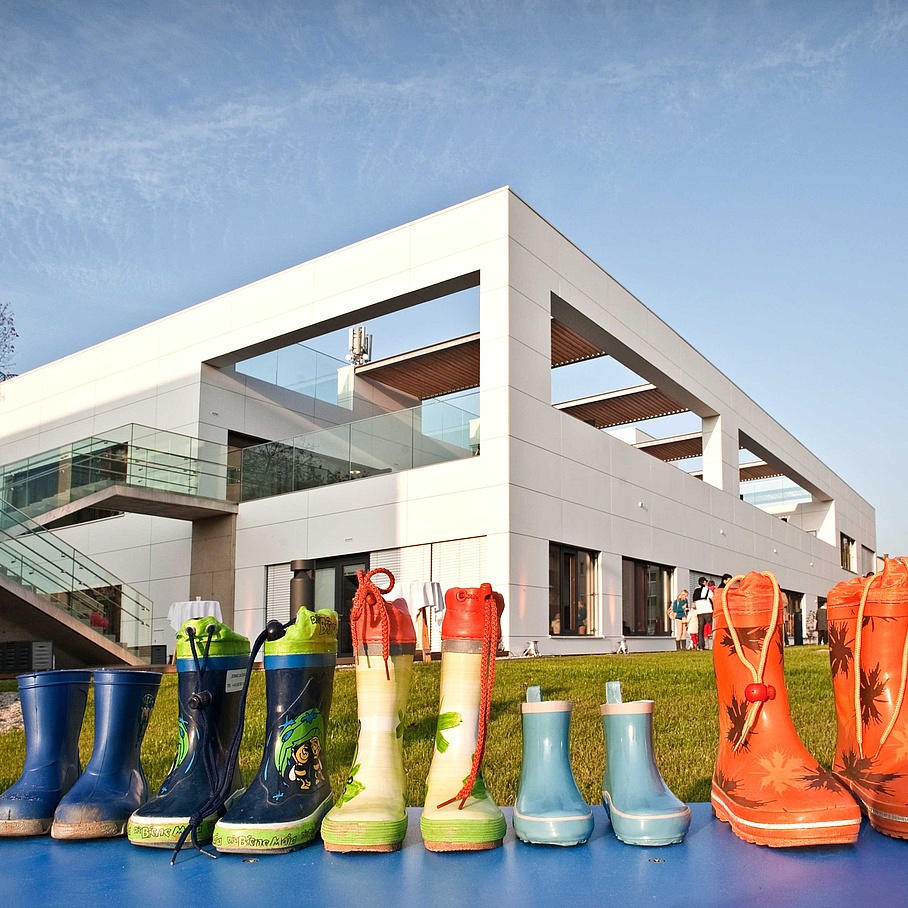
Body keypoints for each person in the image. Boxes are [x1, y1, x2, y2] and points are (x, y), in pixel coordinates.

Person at [691, 576, 713, 651]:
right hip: (708, 611)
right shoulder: (707, 590)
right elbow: (713, 599)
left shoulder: (695, 591)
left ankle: (701, 646)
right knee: (713, 627)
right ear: (704, 582)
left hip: (700, 612)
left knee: (700, 630)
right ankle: (716, 644)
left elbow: (694, 602)